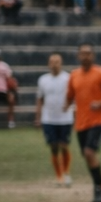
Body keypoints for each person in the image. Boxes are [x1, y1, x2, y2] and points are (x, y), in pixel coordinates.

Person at [64, 42, 101, 202]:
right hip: (81, 122)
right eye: (82, 53)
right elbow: (70, 95)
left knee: (89, 153)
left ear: (93, 56)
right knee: (88, 156)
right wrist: (65, 105)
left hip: (98, 120)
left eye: (88, 53)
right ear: (78, 56)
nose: (85, 56)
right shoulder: (74, 75)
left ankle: (98, 189)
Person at [35, 53, 75, 185]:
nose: (54, 65)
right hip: (48, 118)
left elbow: (73, 96)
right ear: (48, 64)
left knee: (64, 145)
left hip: (65, 118)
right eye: (52, 62)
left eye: (57, 62)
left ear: (61, 63)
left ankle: (66, 172)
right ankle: (58, 176)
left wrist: (69, 106)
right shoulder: (43, 80)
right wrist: (38, 117)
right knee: (53, 147)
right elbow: (40, 99)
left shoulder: (68, 78)